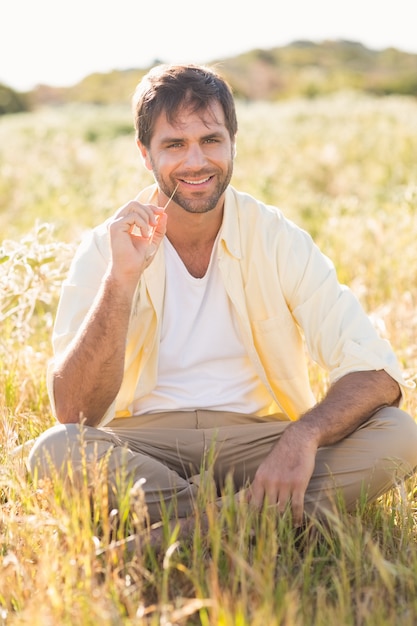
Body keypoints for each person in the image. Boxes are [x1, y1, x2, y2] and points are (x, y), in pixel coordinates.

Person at [28, 63, 417, 532]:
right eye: (174, 144)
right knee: (54, 450)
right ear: (144, 154)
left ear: (233, 142)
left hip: (258, 440)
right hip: (145, 444)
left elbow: (377, 375)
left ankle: (179, 530)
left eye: (210, 140)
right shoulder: (106, 248)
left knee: (400, 434)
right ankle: (254, 524)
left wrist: (302, 437)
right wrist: (121, 280)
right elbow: (74, 412)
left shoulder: (276, 237)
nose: (196, 162)